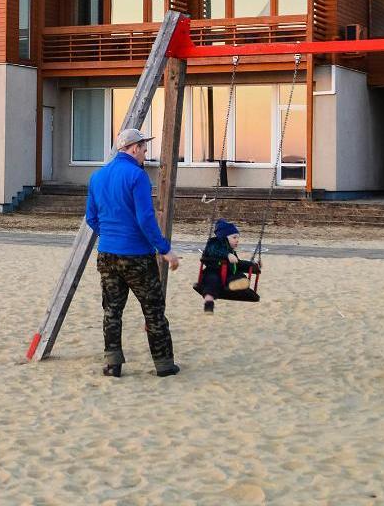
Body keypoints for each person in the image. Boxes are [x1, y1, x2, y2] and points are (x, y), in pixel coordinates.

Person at [85, 127, 181, 379]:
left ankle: (112, 364)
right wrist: (165, 249)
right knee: (153, 309)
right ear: (133, 148)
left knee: (112, 311)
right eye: (144, 147)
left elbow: (91, 218)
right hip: (137, 255)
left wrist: (109, 235)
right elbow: (146, 218)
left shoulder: (97, 177)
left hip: (107, 254)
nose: (146, 152)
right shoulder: (137, 176)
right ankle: (164, 364)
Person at [196, 218, 256, 313]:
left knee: (238, 275)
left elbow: (238, 263)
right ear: (224, 237)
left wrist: (252, 265)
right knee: (212, 282)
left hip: (228, 274)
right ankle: (209, 303)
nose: (237, 240)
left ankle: (235, 285)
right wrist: (227, 255)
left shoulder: (231, 251)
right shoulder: (214, 243)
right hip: (213, 271)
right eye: (234, 237)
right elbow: (213, 250)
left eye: (238, 238)